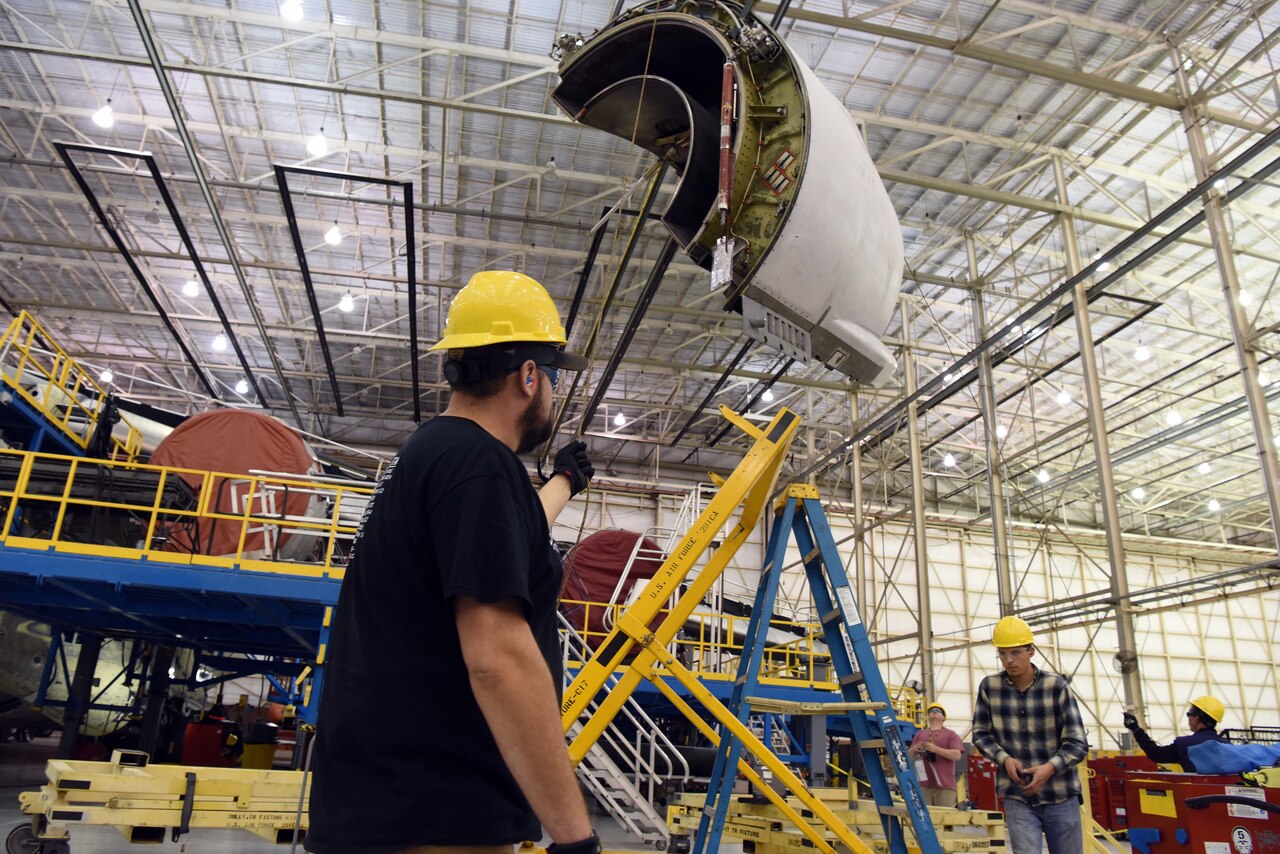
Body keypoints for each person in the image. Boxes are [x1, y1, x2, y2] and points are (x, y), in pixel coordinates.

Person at [307, 270, 602, 854]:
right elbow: (497, 659)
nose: (552, 392)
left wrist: (567, 480)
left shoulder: (435, 454)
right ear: (527, 377)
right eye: (552, 377)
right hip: (436, 822)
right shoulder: (477, 468)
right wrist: (576, 840)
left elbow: (505, 542)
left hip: (395, 813)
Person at [971, 616, 1089, 854]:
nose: (1009, 660)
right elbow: (981, 734)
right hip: (1018, 795)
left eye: (1015, 653)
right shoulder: (989, 687)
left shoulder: (1056, 687)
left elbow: (1077, 743)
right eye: (1003, 654)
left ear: (1031, 651)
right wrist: (1005, 759)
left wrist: (1049, 768)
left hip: (1060, 794)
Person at [1123, 695, 1226, 773]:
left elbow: (1156, 754)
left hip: (1198, 797)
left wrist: (1135, 729)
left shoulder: (1185, 744)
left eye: (1189, 714)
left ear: (1197, 717)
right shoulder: (1227, 745)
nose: (1188, 717)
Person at [907, 701, 964, 807]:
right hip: (924, 786)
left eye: (938, 711)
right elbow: (908, 756)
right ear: (928, 716)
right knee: (924, 817)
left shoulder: (951, 735)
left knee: (945, 818)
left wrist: (936, 749)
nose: (934, 712)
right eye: (932, 711)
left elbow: (957, 755)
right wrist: (915, 748)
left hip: (945, 786)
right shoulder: (920, 734)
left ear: (943, 717)